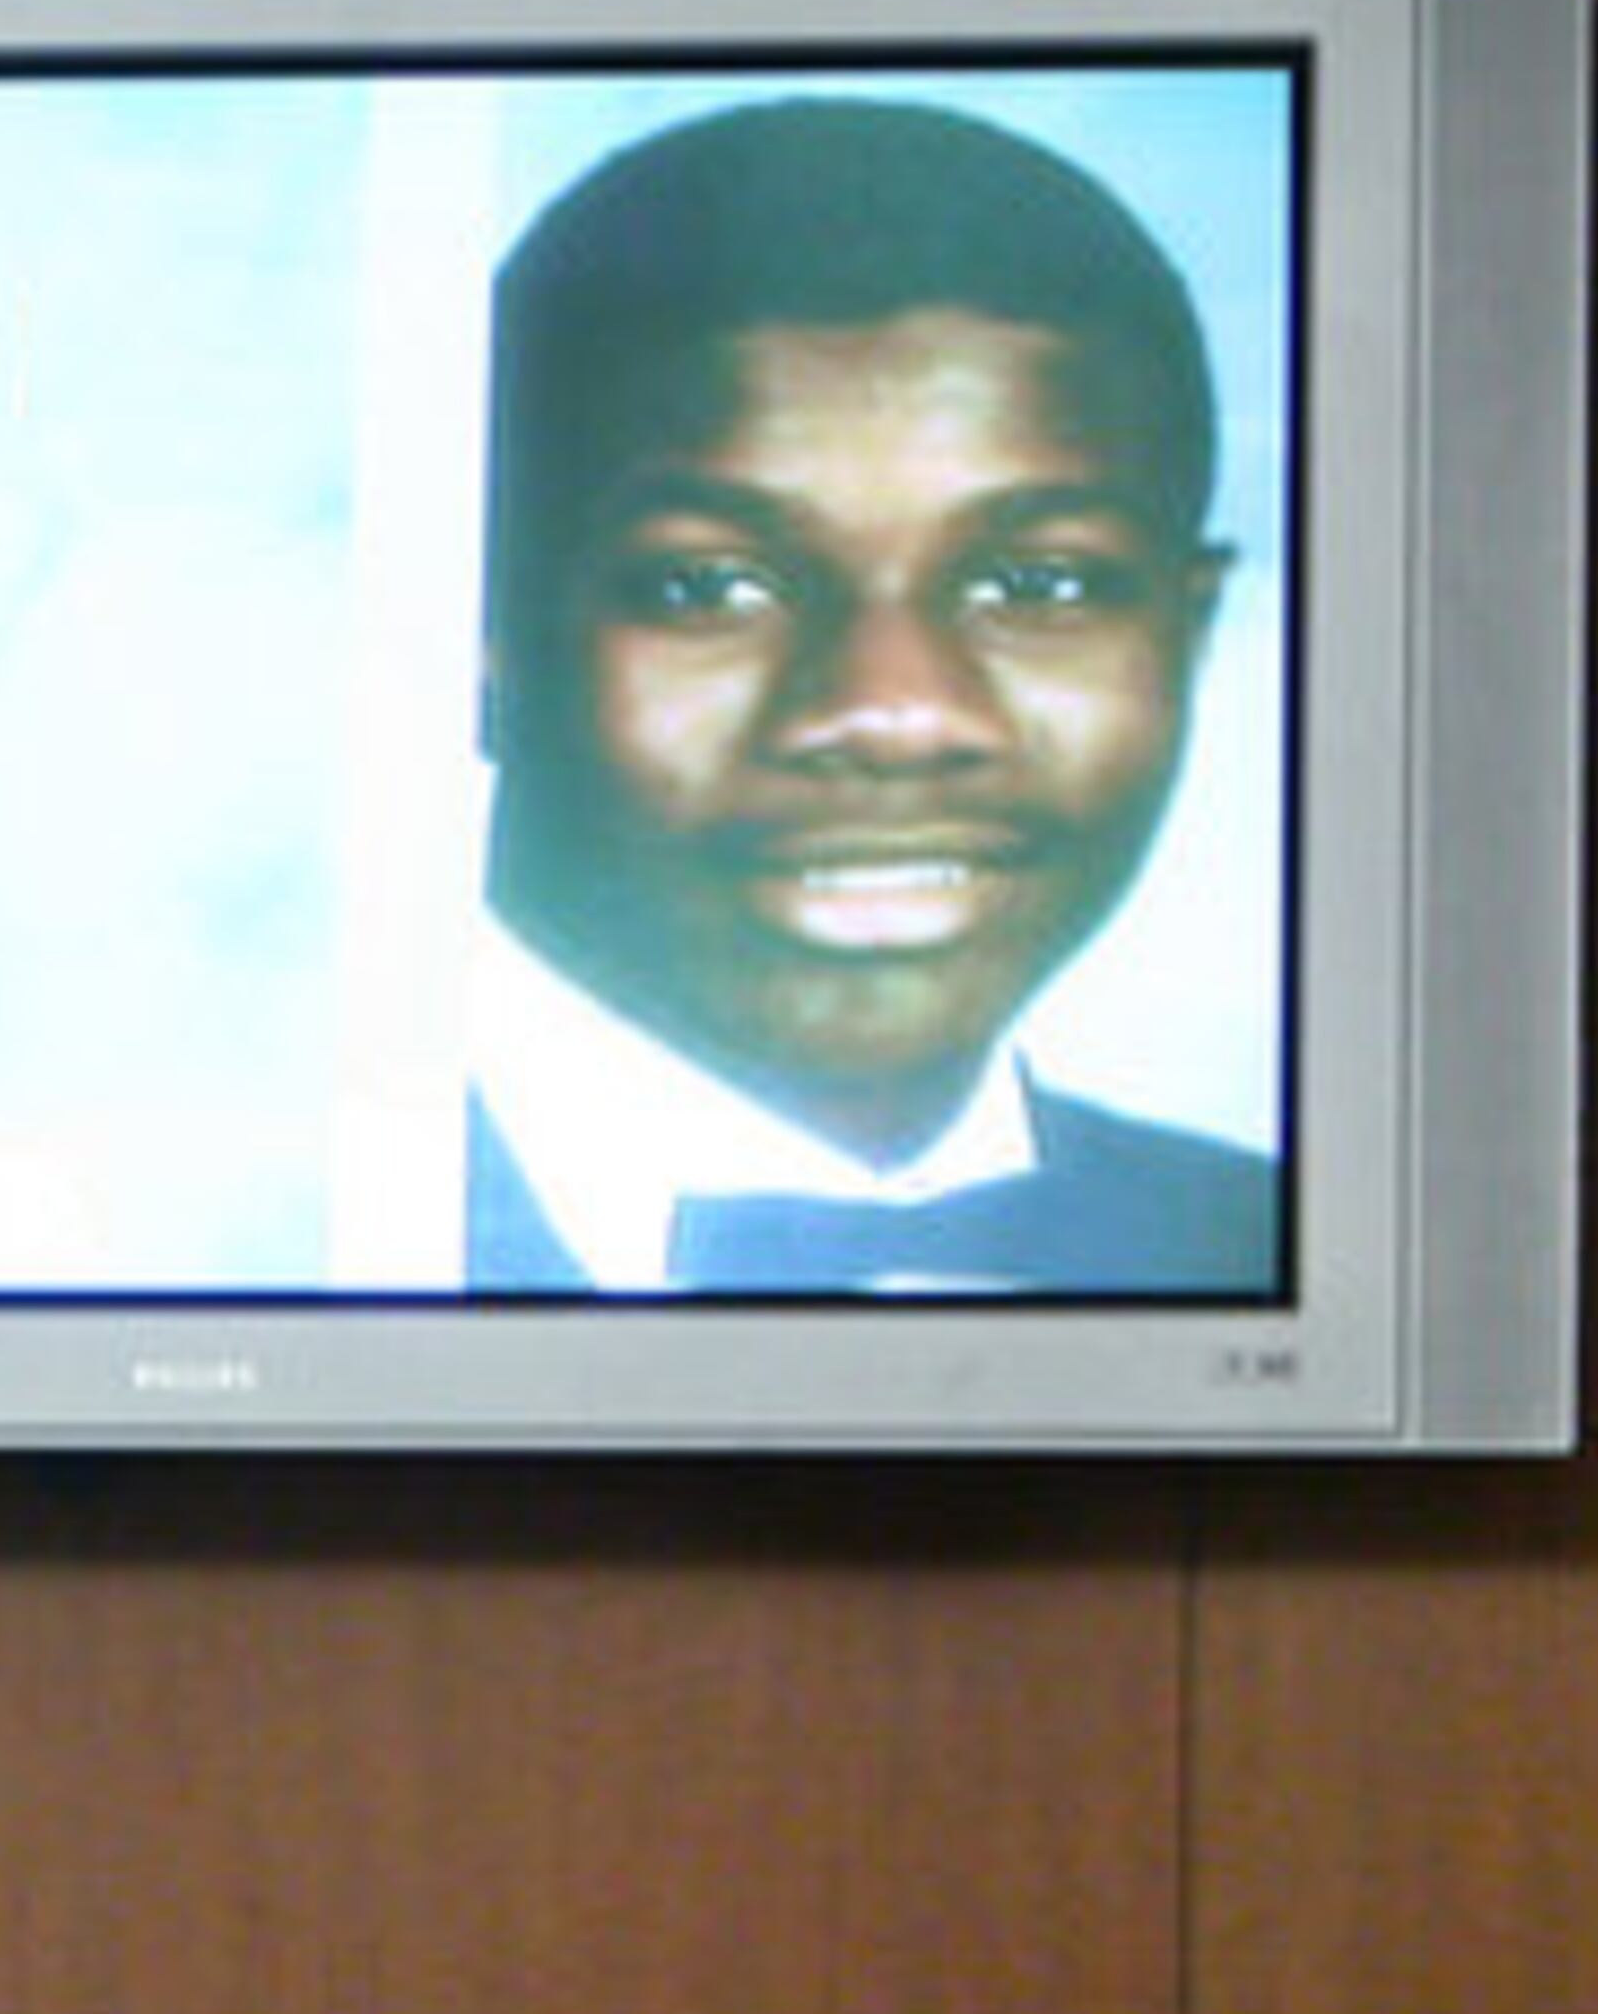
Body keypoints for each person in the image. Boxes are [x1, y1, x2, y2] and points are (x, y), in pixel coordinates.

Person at [464, 94, 1281, 1296]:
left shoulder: (1255, 1238)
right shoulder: (186, 1225)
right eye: (710, 586)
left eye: (1041, 581)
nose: (896, 714)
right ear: (482, 639)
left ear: (1188, 629)